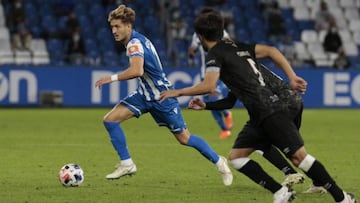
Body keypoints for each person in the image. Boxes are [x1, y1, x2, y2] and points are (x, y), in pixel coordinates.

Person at [160, 11, 356, 203]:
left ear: (200, 37)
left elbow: (209, 85)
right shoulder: (237, 47)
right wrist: (292, 76)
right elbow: (272, 51)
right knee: (236, 158)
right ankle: (281, 192)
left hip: (270, 110)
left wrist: (177, 92)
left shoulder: (215, 53)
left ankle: (342, 198)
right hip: (259, 114)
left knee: (299, 158)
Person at [94, 4, 233, 186]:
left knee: (185, 138)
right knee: (110, 120)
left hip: (162, 98)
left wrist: (110, 78)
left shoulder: (134, 44)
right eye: (112, 27)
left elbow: (137, 70)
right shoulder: (136, 40)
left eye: (117, 26)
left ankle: (219, 161)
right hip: (144, 96)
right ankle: (127, 163)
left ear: (128, 26)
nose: (114, 30)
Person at [188, 7, 233, 139]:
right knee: (209, 104)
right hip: (205, 72)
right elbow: (193, 48)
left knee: (213, 98)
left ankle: (226, 116)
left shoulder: (221, 32)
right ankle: (225, 125)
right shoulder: (197, 35)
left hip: (218, 71)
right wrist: (191, 51)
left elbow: (230, 44)